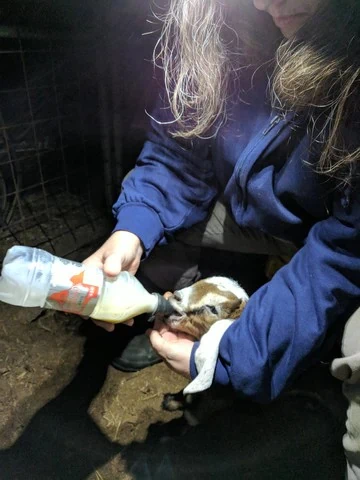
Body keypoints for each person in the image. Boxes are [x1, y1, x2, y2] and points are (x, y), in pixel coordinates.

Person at [84, 0, 360, 477]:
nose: (262, 1)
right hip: (268, 216)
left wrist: (236, 356)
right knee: (157, 224)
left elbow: (343, 251)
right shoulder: (228, 29)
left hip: (341, 234)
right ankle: (171, 313)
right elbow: (179, 152)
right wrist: (133, 228)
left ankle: (315, 384)